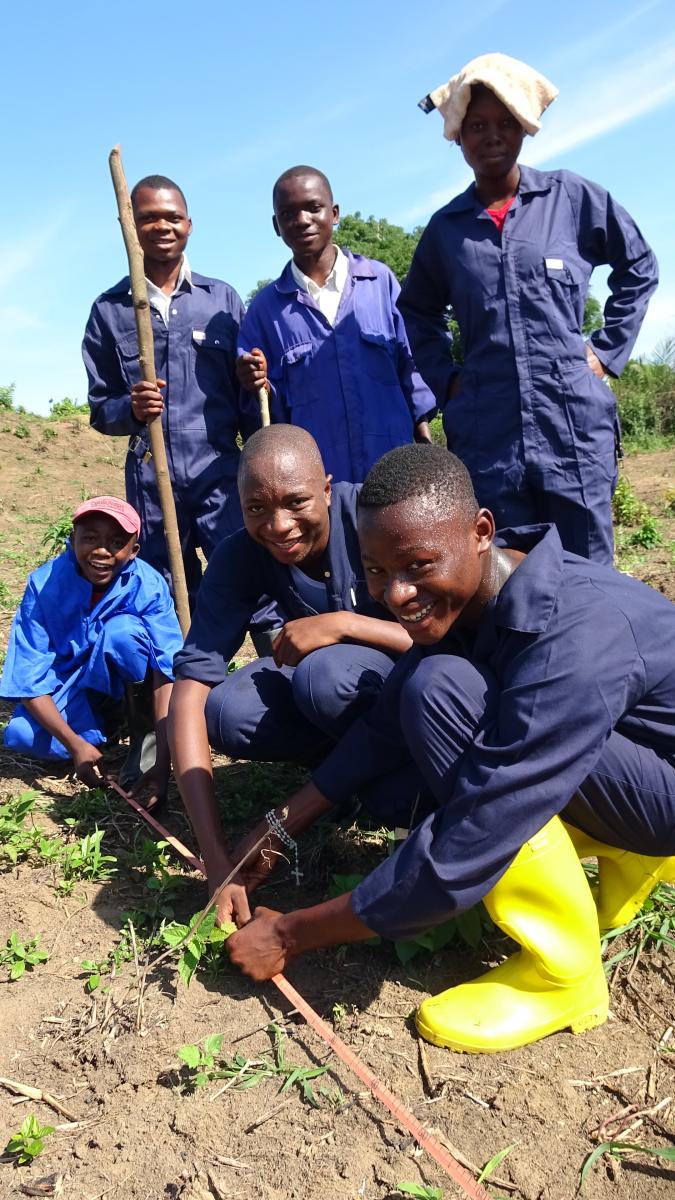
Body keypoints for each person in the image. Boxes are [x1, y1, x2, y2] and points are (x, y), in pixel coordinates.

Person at [222, 444, 675, 1055]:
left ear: (481, 531)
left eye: (417, 566)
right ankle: (625, 855)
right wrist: (280, 824)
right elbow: (384, 727)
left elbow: (473, 835)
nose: (397, 594)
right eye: (377, 571)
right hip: (642, 758)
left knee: (444, 698)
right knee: (426, 692)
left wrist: (291, 934)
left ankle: (566, 976)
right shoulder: (479, 593)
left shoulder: (574, 638)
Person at [398, 53, 658, 564]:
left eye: (504, 123)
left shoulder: (572, 199)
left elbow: (639, 266)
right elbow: (416, 312)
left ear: (523, 128)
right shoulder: (447, 230)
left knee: (589, 575)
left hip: (573, 429)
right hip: (488, 435)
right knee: (505, 572)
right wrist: (448, 383)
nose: (491, 135)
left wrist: (604, 354)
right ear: (459, 138)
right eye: (476, 126)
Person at [168, 424, 413, 902]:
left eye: (296, 502)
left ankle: (400, 791)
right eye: (257, 508)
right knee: (222, 711)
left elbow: (458, 632)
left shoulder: (379, 520)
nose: (278, 526)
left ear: (326, 488)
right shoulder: (240, 556)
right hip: (332, 690)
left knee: (325, 678)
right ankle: (342, 777)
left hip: (413, 687)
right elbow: (190, 690)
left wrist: (347, 624)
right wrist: (215, 858)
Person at [82, 174, 260, 603]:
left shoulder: (221, 300)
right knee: (164, 590)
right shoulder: (109, 311)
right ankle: (177, 670)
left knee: (248, 580)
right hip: (151, 479)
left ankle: (270, 668)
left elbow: (247, 405)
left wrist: (255, 385)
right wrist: (132, 409)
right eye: (149, 218)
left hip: (219, 473)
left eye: (172, 217)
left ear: (189, 224)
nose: (162, 226)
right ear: (131, 225)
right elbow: (100, 408)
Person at [236, 166, 435, 483]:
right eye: (288, 213)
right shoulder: (265, 310)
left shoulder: (380, 283)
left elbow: (412, 365)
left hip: (394, 470)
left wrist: (425, 437)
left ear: (335, 212)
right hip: (319, 483)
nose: (302, 221)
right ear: (276, 225)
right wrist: (254, 382)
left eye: (313, 208)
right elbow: (261, 410)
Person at [0, 497, 183, 809]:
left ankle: (143, 731)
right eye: (90, 538)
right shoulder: (44, 585)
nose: (101, 551)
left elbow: (167, 670)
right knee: (21, 735)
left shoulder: (148, 584)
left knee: (123, 634)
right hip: (71, 682)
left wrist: (163, 763)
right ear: (73, 540)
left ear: (134, 551)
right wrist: (75, 746)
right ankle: (107, 724)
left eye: (116, 542)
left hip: (127, 674)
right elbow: (28, 678)